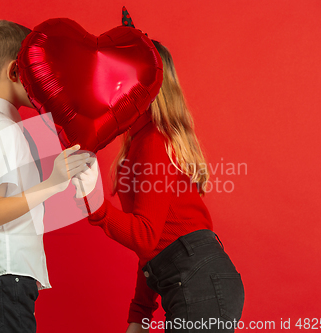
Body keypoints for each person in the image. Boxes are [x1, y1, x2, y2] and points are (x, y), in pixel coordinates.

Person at [73, 39, 244, 333]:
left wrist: (96, 204)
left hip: (198, 280)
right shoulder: (142, 141)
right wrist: (140, 313)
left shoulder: (154, 141)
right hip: (194, 278)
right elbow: (157, 243)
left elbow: (146, 237)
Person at [0, 20, 91, 333]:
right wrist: (53, 183)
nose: (44, 79)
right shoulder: (4, 130)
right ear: (15, 72)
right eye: (37, 69)